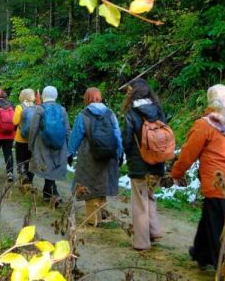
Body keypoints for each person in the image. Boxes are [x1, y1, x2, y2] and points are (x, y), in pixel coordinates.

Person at [171, 85, 225, 281]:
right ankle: (202, 253)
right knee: (211, 215)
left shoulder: (205, 124)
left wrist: (177, 172)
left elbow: (188, 153)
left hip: (217, 183)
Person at [122, 78, 166, 250]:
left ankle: (141, 242)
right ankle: (154, 231)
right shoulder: (158, 110)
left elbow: (127, 139)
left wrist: (128, 156)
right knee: (149, 196)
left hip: (139, 163)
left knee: (140, 202)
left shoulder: (132, 113)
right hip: (157, 162)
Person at [68, 87, 122, 226]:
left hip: (89, 155)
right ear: (100, 97)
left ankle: (92, 220)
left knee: (88, 184)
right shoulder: (110, 113)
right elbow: (117, 134)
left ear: (86, 98)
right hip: (109, 154)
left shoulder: (83, 115)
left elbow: (76, 136)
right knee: (102, 183)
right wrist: (120, 152)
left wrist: (70, 153)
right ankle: (103, 214)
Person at [29, 86, 70, 204]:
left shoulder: (39, 109)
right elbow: (67, 129)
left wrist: (31, 144)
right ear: (56, 95)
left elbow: (33, 128)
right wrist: (68, 146)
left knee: (46, 166)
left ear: (43, 95)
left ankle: (54, 194)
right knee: (52, 167)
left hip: (43, 143)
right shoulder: (62, 110)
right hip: (60, 143)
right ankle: (48, 194)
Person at [13, 89, 36, 185]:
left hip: (20, 138)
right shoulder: (37, 107)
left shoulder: (19, 107)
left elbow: (15, 121)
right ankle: (29, 180)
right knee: (30, 159)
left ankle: (23, 175)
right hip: (32, 139)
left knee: (20, 158)